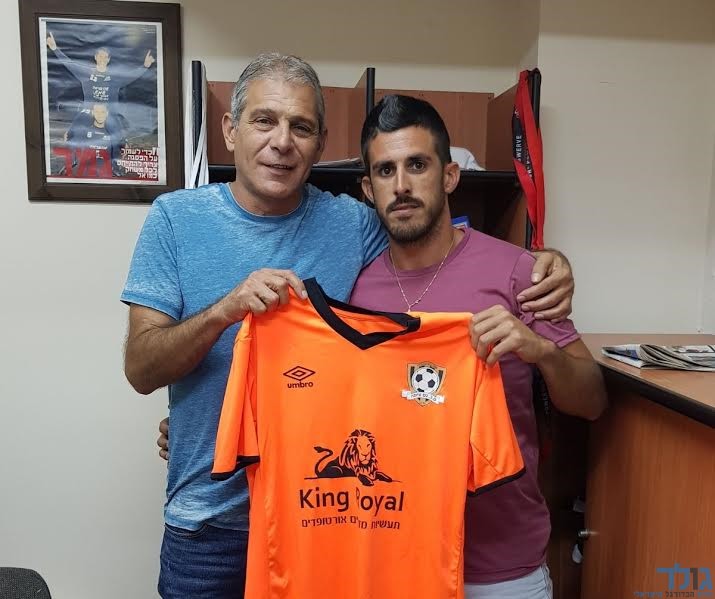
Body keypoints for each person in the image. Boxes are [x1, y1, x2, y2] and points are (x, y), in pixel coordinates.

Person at [124, 53, 573, 598]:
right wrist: (225, 312)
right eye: (264, 120)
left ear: (320, 144)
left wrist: (542, 262)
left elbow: (433, 237)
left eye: (301, 127)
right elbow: (142, 368)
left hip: (326, 523)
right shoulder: (173, 219)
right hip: (208, 526)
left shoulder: (353, 223)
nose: (282, 142)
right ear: (230, 129)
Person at [348, 95, 607, 598]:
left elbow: (592, 400)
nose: (401, 186)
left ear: (449, 176)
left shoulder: (519, 272)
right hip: (396, 556)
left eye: (417, 165)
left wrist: (539, 350)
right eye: (385, 170)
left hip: (502, 567)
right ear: (367, 188)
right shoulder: (358, 291)